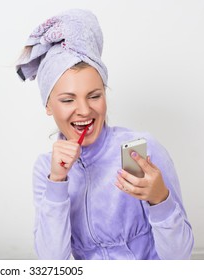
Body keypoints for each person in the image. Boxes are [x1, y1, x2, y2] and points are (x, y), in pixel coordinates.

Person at [16, 9, 194, 260]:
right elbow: (52, 262)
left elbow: (180, 259)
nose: (84, 110)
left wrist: (160, 200)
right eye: (68, 100)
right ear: (48, 106)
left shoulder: (141, 150)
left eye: (95, 96)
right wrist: (57, 182)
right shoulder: (45, 168)